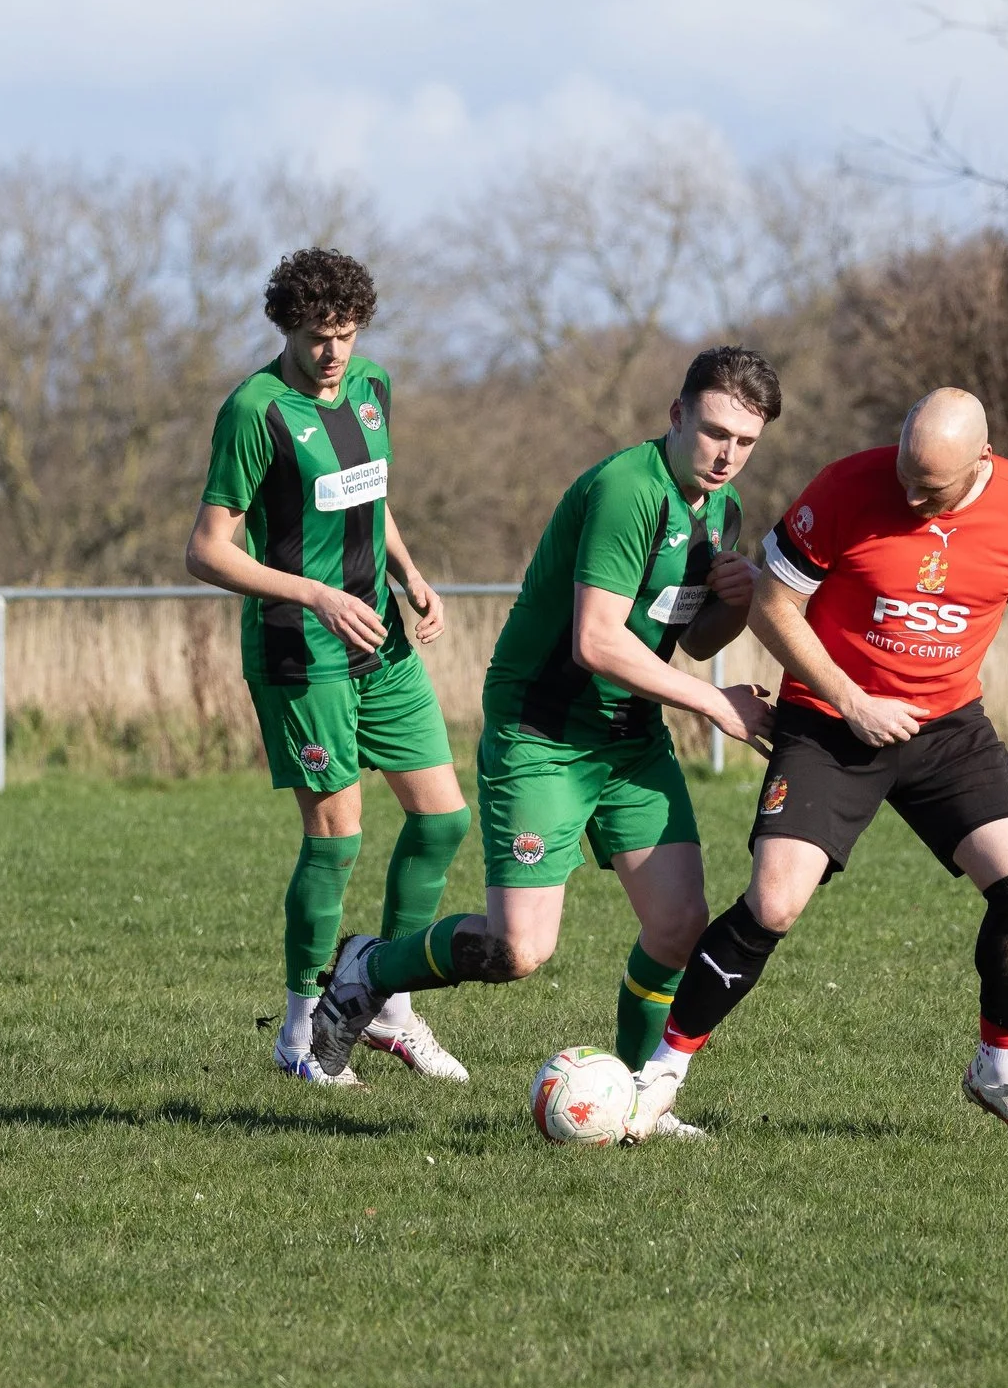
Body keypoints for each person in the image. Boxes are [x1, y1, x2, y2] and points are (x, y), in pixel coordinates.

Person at [308, 346, 781, 1134]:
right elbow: (597, 641)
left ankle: (635, 1098)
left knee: (677, 924)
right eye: (714, 431)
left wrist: (731, 605)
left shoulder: (718, 512)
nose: (727, 453)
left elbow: (688, 640)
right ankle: (367, 969)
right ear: (677, 415)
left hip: (627, 734)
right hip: (545, 731)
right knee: (518, 950)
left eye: (745, 441)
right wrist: (715, 706)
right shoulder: (629, 491)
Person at [627, 388, 1008, 1145]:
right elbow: (772, 606)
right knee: (775, 902)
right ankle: (660, 1076)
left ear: (982, 460)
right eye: (907, 473)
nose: (911, 494)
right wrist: (851, 701)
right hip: (830, 725)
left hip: (947, 726)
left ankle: (1001, 1069)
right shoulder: (846, 488)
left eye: (932, 486)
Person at [185, 247, 470, 1087]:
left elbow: (368, 498)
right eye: (317, 337)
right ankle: (301, 1031)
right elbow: (206, 550)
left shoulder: (375, 389)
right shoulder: (254, 411)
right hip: (299, 649)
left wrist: (409, 572)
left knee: (443, 820)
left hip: (379, 638)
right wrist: (314, 595)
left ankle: (388, 1004)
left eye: (346, 334)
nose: (333, 353)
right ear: (287, 329)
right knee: (336, 839)